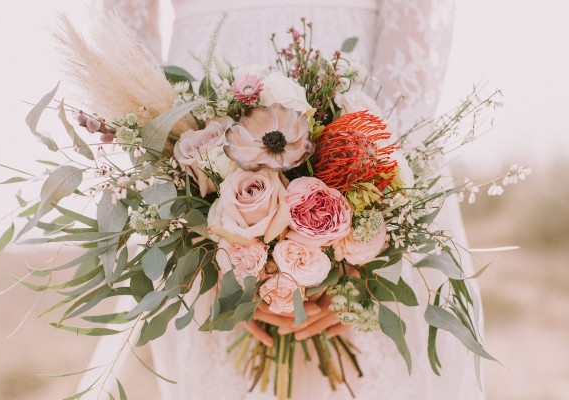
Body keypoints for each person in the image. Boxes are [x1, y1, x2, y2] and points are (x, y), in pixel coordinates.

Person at [80, 1, 485, 398]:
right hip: (197, 142)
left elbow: (416, 28)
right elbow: (127, 28)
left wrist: (368, 243)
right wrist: (207, 233)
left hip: (366, 138)